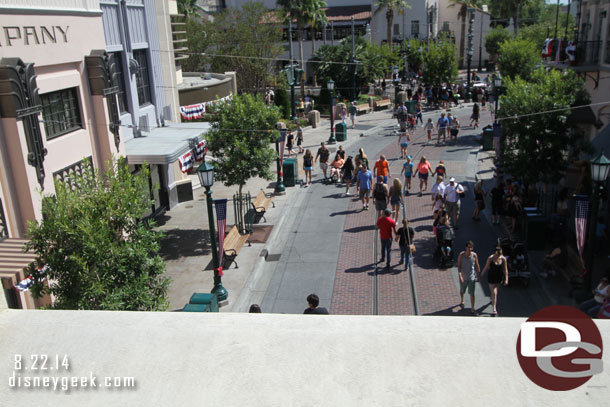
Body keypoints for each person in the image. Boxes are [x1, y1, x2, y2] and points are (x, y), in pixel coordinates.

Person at [480, 246, 509, 316]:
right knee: (494, 292)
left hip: (499, 277)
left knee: (496, 291)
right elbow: (486, 267)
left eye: (499, 255)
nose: (497, 256)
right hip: (491, 277)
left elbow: (505, 270)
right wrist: (481, 275)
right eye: (496, 255)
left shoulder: (503, 259)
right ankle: (494, 308)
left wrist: (506, 279)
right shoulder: (490, 258)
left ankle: (492, 300)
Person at [457, 241, 481, 315]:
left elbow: (477, 266)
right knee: (462, 290)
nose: (470, 249)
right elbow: (459, 266)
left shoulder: (474, 255)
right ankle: (462, 300)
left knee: (472, 293)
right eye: (469, 247)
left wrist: (479, 275)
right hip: (463, 278)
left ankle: (472, 309)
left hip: (471, 278)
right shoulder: (461, 255)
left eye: (471, 247)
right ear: (466, 247)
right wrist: (460, 276)